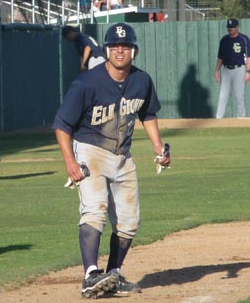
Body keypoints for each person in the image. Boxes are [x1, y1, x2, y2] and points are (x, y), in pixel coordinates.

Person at [52, 23, 170, 298]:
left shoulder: (142, 80)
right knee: (95, 209)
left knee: (129, 222)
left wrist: (158, 148)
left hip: (122, 156)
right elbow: (62, 125)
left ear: (134, 51)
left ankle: (113, 274)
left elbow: (147, 115)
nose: (120, 50)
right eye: (115, 46)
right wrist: (69, 161)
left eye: (126, 46)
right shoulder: (86, 83)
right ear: (106, 50)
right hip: (90, 150)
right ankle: (91, 274)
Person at [214, 18, 250, 119]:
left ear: (237, 27)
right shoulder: (224, 40)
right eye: (228, 27)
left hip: (239, 69)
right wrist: (217, 71)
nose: (230, 29)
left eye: (232, 27)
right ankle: (219, 118)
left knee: (239, 95)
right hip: (226, 70)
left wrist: (248, 71)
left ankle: (241, 117)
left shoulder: (244, 39)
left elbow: (249, 56)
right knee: (223, 95)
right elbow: (220, 57)